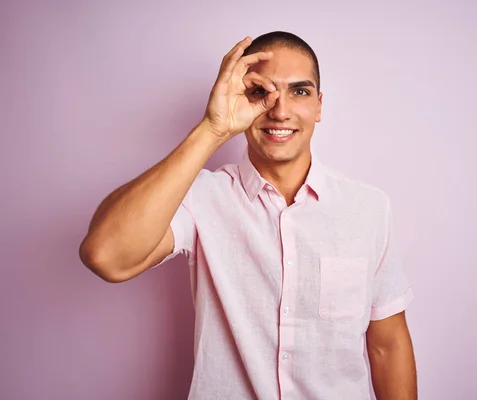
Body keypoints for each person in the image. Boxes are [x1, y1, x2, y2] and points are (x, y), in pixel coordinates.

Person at [79, 31, 417, 400]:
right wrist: (212, 130)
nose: (280, 110)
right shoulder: (202, 198)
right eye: (260, 92)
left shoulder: (367, 208)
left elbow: (387, 345)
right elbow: (106, 256)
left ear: (319, 105)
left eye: (299, 92)